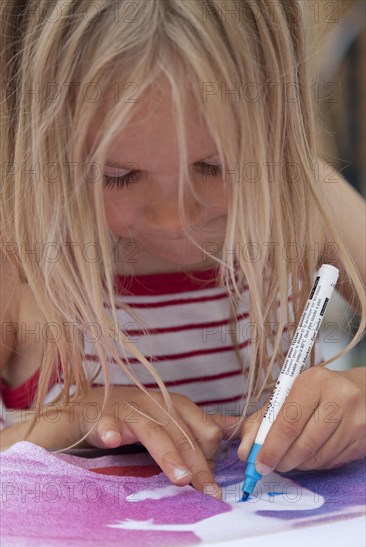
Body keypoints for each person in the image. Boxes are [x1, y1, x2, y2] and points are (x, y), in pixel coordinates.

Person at [0, 0, 364, 501]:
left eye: (214, 166)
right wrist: (73, 420)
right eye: (118, 175)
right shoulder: (19, 249)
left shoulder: (304, 203)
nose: (177, 218)